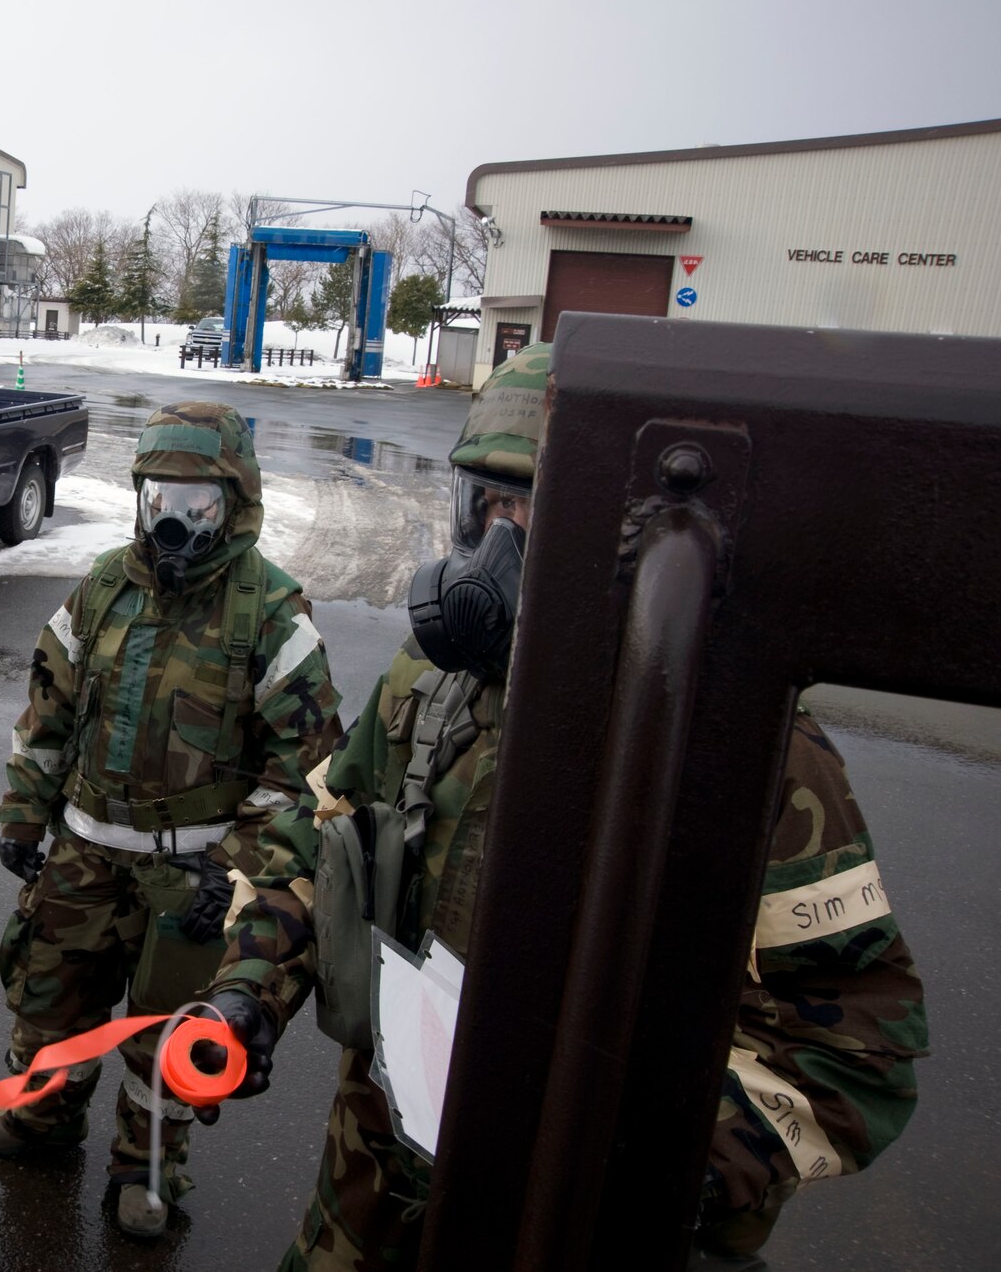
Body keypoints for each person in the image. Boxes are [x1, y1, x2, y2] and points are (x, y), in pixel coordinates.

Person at [200, 342, 929, 1270]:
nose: (503, 543)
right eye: (486, 506)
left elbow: (860, 1043)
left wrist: (648, 1167)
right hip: (371, 1192)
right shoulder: (428, 680)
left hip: (572, 1220)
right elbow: (316, 842)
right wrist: (244, 995)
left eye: (542, 511)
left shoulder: (736, 746)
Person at [0, 401, 339, 1239]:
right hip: (85, 852)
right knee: (47, 1004)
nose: (173, 522)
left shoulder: (271, 612)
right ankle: (41, 1121)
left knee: (167, 1036)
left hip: (192, 876)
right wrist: (26, 812)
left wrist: (238, 874)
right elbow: (48, 707)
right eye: (159, 500)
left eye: (197, 505)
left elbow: (307, 773)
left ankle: (147, 1166)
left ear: (234, 505)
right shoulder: (102, 586)